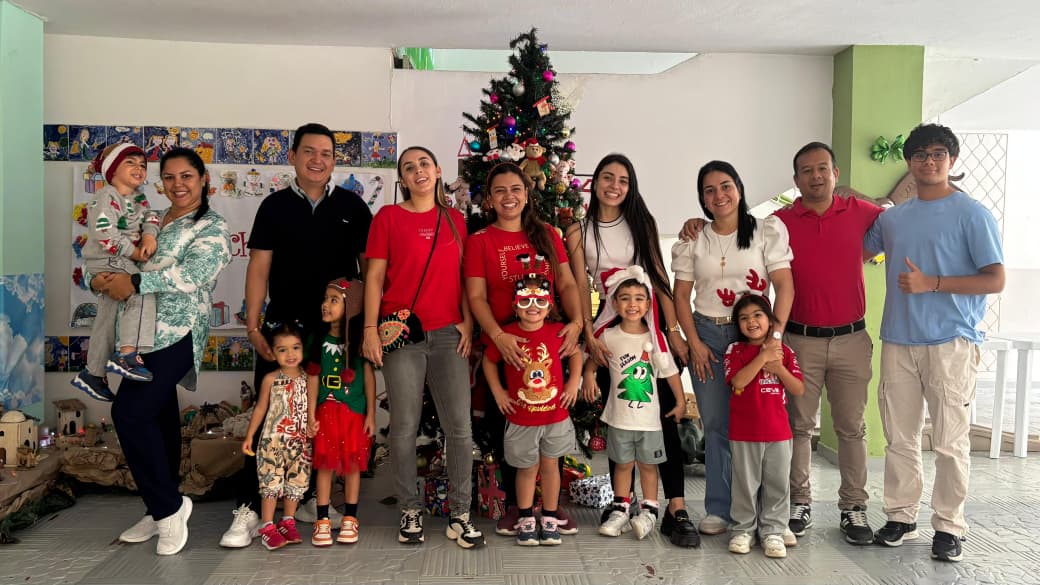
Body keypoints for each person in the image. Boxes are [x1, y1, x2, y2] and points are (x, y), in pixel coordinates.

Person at [223, 122, 372, 547]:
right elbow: (258, 268)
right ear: (292, 156)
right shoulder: (274, 206)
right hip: (284, 332)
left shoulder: (352, 206)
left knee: (322, 419)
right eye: (309, 151)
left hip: (334, 337)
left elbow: (370, 272)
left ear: (335, 161)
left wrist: (363, 328)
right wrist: (253, 326)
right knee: (272, 420)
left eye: (326, 153)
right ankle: (250, 507)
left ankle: (307, 499)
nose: (317, 160)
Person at [864, 123, 1004, 563]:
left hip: (951, 342)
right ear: (909, 162)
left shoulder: (972, 214)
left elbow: (995, 279)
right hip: (898, 340)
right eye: (921, 154)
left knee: (950, 441)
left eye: (938, 154)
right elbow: (859, 249)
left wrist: (933, 283)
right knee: (899, 437)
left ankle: (948, 526)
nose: (929, 161)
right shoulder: (891, 219)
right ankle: (901, 516)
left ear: (952, 160)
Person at [96, 147, 231, 556]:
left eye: (186, 176)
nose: (178, 184)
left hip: (177, 332)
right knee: (158, 417)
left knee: (129, 413)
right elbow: (114, 251)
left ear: (203, 179)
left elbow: (194, 273)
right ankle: (158, 509)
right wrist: (101, 278)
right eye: (169, 177)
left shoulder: (211, 226)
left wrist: (136, 284)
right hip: (137, 333)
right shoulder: (149, 218)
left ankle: (170, 508)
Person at [565, 153, 700, 548]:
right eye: (608, 178)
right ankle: (622, 503)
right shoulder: (578, 230)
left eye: (623, 180)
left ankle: (675, 507)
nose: (615, 186)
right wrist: (588, 333)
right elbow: (580, 285)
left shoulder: (642, 222)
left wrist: (673, 331)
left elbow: (658, 276)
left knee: (665, 417)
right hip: (610, 329)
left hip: (650, 325)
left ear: (631, 187)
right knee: (619, 415)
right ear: (595, 183)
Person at [361, 146, 484, 549]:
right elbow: (374, 277)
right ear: (402, 178)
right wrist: (369, 328)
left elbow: (465, 276)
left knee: (459, 427)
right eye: (409, 167)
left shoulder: (455, 220)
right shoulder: (388, 218)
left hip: (448, 333)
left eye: (424, 164)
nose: (418, 171)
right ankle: (409, 510)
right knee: (404, 426)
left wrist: (467, 321)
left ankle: (460, 514)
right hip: (401, 334)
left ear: (438, 171)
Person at [671, 160, 794, 536]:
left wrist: (773, 338)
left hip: (753, 336)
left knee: (761, 424)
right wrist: (693, 342)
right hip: (707, 335)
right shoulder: (694, 239)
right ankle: (720, 509)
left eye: (726, 186)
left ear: (739, 188)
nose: (719, 195)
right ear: (702, 199)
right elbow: (681, 295)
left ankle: (768, 515)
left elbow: (784, 285)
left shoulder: (766, 230)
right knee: (716, 425)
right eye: (709, 190)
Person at [463, 162, 583, 536]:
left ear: (527, 194)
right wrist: (497, 336)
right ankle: (518, 508)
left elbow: (566, 283)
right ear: (488, 199)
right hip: (504, 347)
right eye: (499, 190)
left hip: (546, 344)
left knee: (550, 428)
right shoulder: (480, 240)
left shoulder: (547, 234)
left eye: (515, 189)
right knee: (509, 427)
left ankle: (551, 507)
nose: (508, 197)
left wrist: (578, 322)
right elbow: (476, 296)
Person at [774, 142, 883, 545]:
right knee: (798, 427)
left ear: (836, 174)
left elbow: (899, 222)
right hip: (799, 339)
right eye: (807, 170)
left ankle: (854, 507)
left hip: (851, 339)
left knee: (852, 428)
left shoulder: (861, 212)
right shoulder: (780, 222)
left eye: (823, 168)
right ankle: (798, 502)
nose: (815, 176)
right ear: (796, 179)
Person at [581, 269, 685, 540]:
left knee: (648, 466)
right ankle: (621, 510)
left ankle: (649, 511)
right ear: (614, 304)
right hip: (619, 419)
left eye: (639, 298)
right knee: (623, 465)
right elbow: (593, 360)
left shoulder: (655, 339)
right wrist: (589, 375)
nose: (632, 304)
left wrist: (681, 401)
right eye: (625, 298)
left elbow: (670, 372)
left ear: (648, 304)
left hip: (649, 422)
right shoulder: (608, 336)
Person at [483, 275, 581, 546]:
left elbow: (576, 354)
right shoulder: (507, 335)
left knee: (551, 467)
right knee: (526, 469)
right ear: (516, 306)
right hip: (521, 419)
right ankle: (525, 516)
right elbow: (488, 361)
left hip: (555, 416)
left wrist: (573, 383)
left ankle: (549, 515)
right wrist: (498, 392)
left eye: (539, 301)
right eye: (525, 301)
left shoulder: (558, 332)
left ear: (549, 306)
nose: (533, 307)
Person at [72, 143, 161, 402]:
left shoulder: (138, 198)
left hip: (117, 260)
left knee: (107, 318)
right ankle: (128, 354)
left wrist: (149, 235)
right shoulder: (105, 196)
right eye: (130, 163)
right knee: (142, 292)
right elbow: (105, 233)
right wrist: (135, 253)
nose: (139, 168)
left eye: (142, 164)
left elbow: (151, 217)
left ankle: (93, 372)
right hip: (110, 259)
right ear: (112, 170)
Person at [724, 295, 804, 559]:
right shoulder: (735, 350)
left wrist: (778, 367)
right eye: (744, 318)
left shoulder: (785, 352)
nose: (751, 322)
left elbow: (798, 388)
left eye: (757, 315)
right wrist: (763, 356)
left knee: (777, 484)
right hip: (744, 433)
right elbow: (738, 382)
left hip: (778, 433)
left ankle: (773, 531)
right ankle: (743, 530)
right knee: (745, 485)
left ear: (770, 320)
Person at [306, 278, 374, 547]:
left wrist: (371, 414)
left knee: (353, 466)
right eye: (325, 299)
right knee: (325, 466)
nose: (326, 304)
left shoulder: (359, 343)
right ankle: (322, 519)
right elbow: (312, 377)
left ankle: (350, 517)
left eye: (334, 300)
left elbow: (368, 378)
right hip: (325, 413)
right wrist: (310, 414)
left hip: (353, 413)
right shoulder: (316, 339)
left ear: (351, 306)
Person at [241, 323, 312, 551]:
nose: (290, 354)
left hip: (300, 443)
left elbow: (313, 409)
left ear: (303, 349)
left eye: (295, 347)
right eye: (282, 349)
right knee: (270, 484)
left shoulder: (310, 378)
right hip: (272, 443)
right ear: (272, 353)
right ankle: (268, 526)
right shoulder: (270, 379)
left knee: (296, 484)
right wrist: (250, 435)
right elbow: (261, 408)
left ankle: (288, 522)